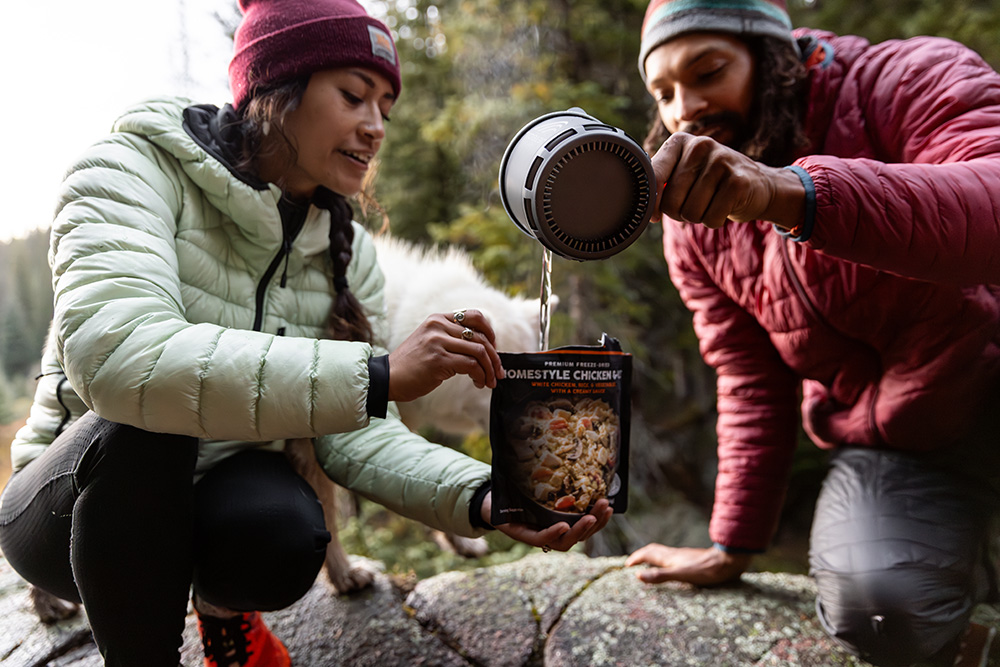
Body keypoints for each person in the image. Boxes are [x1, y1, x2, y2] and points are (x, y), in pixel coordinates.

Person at [0, 1, 612, 665]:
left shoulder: (348, 250)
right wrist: (375, 376)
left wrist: (488, 498)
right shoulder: (131, 169)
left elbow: (357, 438)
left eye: (385, 106)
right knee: (146, 427)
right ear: (275, 89)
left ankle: (223, 618)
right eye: (354, 95)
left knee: (288, 533)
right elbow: (119, 359)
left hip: (209, 495)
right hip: (75, 505)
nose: (375, 127)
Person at [623, 0, 1000, 665]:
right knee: (881, 611)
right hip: (907, 439)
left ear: (773, 57)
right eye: (664, 93)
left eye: (708, 71)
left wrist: (788, 193)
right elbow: (749, 375)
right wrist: (731, 545)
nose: (685, 108)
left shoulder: (906, 77)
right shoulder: (695, 224)